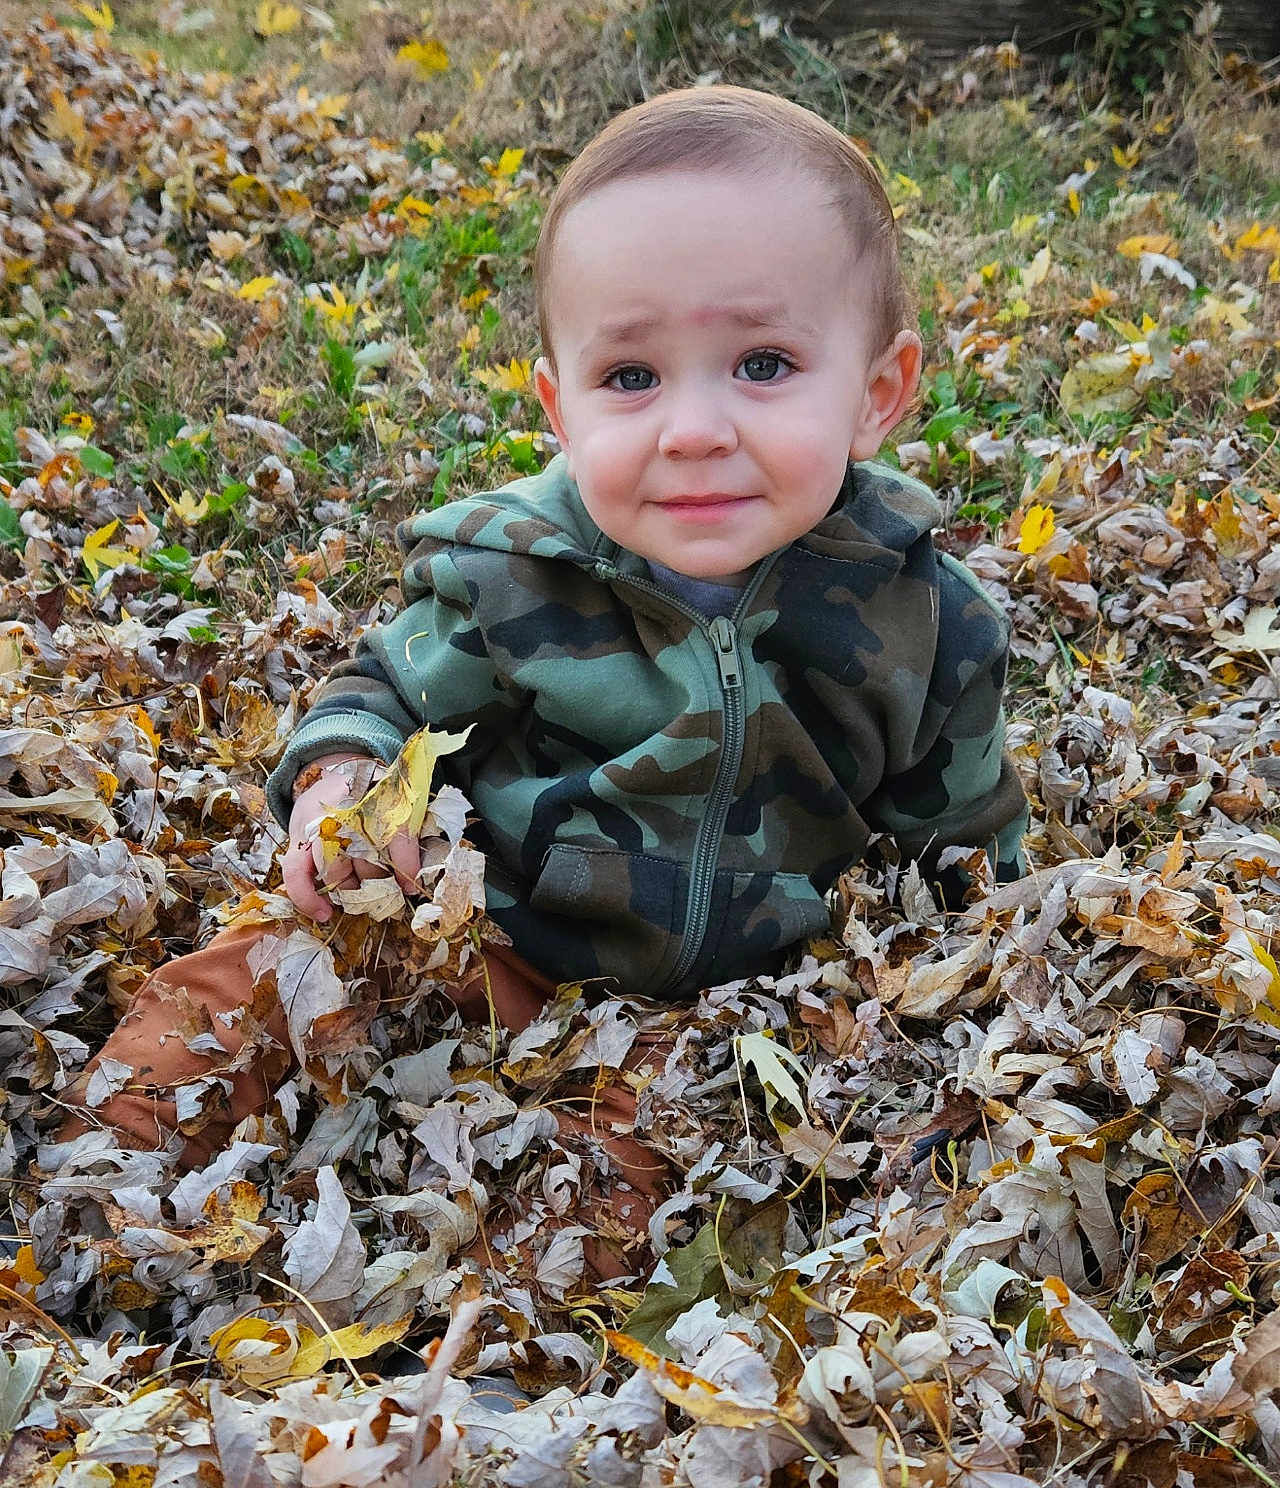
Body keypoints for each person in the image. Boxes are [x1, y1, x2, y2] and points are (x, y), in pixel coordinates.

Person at [61, 85, 1028, 1280]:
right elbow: (384, 690)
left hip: (726, 1017)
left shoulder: (921, 614)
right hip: (497, 942)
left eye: (762, 363)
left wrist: (943, 992)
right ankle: (89, 1205)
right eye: (631, 377)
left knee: (628, 1202)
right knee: (251, 982)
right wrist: (343, 775)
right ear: (557, 407)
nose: (691, 428)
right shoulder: (518, 579)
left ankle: (479, 1351)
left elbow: (965, 859)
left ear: (877, 394)